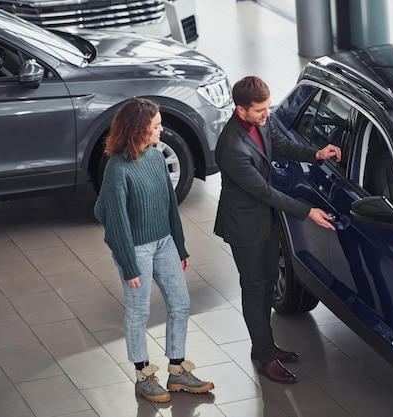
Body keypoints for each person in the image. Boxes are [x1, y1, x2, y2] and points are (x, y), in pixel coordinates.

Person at [214, 76, 341, 384]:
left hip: (265, 219)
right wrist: (308, 211)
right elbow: (265, 192)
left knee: (270, 280)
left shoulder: (261, 122)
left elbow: (281, 145)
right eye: (259, 110)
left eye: (267, 108)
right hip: (245, 226)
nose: (266, 115)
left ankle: (264, 346)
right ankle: (265, 357)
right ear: (241, 110)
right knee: (255, 288)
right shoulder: (232, 147)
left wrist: (316, 154)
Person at [94, 97, 214, 402]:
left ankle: (177, 370)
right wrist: (128, 262)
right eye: (156, 126)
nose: (161, 130)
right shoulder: (117, 169)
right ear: (138, 129)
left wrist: (180, 245)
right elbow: (112, 218)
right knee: (139, 311)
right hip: (136, 250)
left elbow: (170, 205)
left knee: (180, 303)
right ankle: (143, 375)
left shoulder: (156, 158)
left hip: (165, 243)